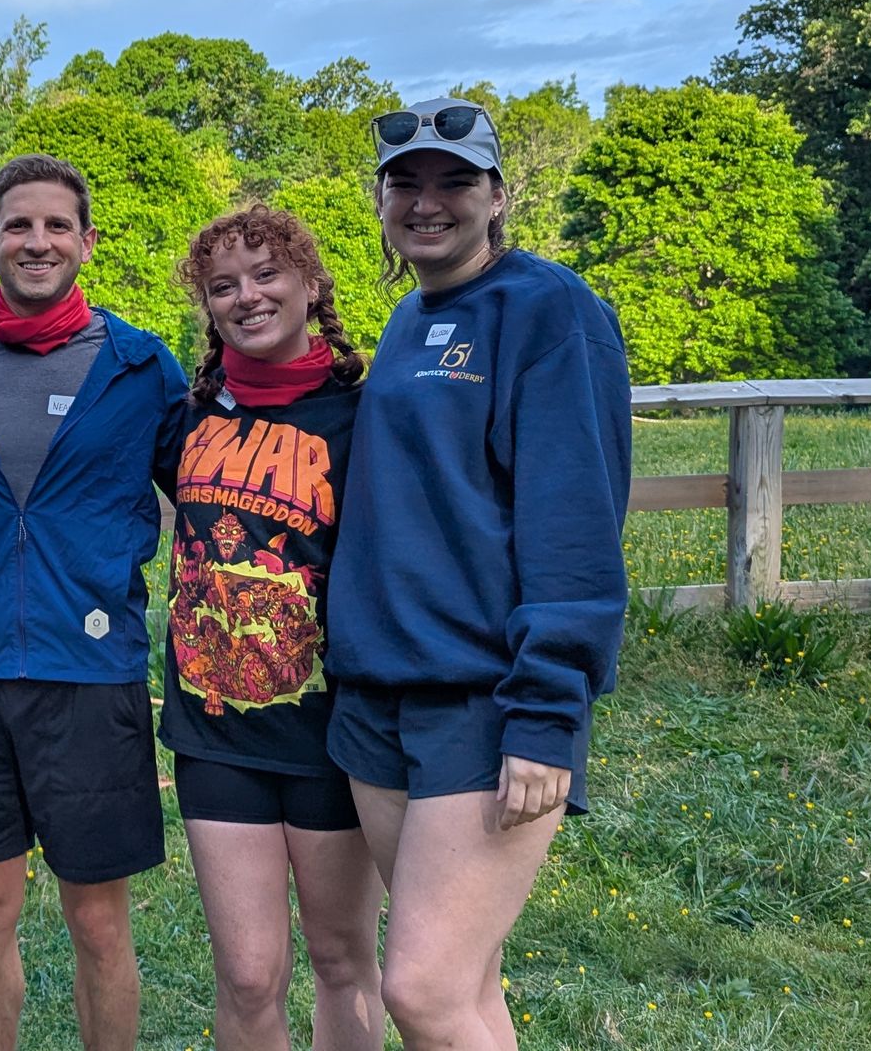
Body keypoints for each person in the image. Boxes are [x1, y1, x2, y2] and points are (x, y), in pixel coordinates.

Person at [325, 98, 630, 1047]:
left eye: (454, 182)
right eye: (405, 184)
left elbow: (573, 521)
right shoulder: (412, 316)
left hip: (485, 703)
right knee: (468, 985)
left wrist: (547, 709)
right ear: (380, 202)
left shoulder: (548, 311)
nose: (428, 203)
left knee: (421, 991)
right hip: (378, 697)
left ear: (497, 196)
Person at [0, 153, 189, 1051]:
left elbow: (219, 490)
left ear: (86, 241)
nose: (37, 242)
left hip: (90, 673)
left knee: (98, 919)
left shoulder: (145, 368)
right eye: (19, 225)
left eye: (56, 225)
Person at [161, 206, 383, 1051]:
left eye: (266, 275)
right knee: (249, 975)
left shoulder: (365, 417)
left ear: (311, 283)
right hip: (214, 730)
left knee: (338, 955)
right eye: (224, 286)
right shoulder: (188, 418)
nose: (247, 297)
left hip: (332, 732)